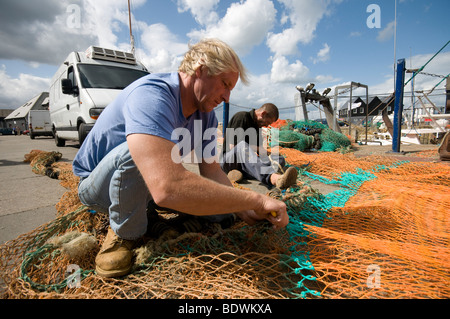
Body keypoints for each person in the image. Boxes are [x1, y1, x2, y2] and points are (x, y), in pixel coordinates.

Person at [72, 38, 289, 278]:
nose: (227, 97)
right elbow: (166, 187)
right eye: (225, 84)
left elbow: (213, 172)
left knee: (222, 212)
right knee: (134, 154)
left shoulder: (206, 117)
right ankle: (125, 233)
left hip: (145, 185)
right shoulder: (153, 95)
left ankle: (149, 217)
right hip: (99, 187)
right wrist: (256, 200)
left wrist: (245, 210)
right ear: (201, 70)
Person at [220, 104, 298, 189]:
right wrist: (259, 149)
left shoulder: (257, 127)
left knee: (280, 159)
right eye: (267, 122)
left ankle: (239, 174)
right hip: (229, 161)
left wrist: (269, 154)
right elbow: (233, 147)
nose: (266, 126)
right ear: (263, 114)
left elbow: (259, 151)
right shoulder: (241, 117)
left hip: (245, 163)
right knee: (242, 146)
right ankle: (273, 178)